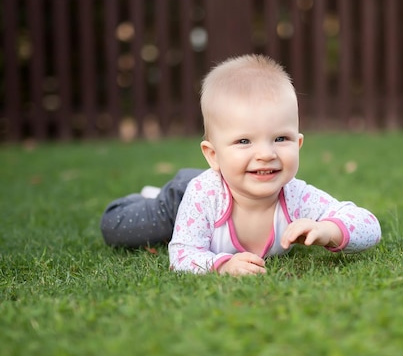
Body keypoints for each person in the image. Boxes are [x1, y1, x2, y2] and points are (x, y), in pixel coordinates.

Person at [100, 54, 381, 276]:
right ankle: (150, 197)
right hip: (185, 200)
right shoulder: (202, 196)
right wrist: (221, 265)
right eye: (245, 141)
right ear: (213, 155)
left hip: (215, 189)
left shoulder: (296, 196)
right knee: (119, 230)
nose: (265, 154)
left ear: (298, 144)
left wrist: (329, 230)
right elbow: (183, 254)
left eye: (280, 138)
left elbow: (369, 225)